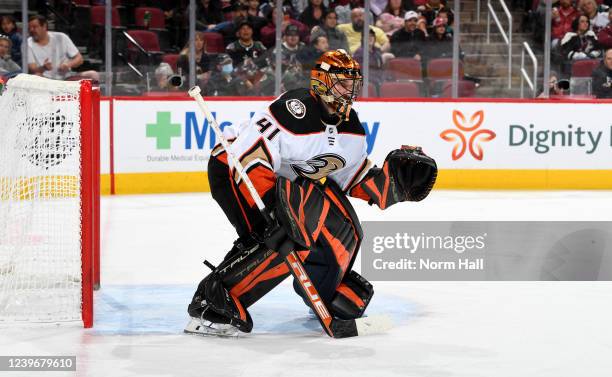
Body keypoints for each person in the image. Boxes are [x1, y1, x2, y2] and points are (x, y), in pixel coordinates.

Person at [185, 49, 437, 336]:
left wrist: (391, 185)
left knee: (344, 227)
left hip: (285, 187)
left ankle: (323, 288)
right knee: (280, 234)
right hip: (233, 170)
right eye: (343, 82)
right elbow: (250, 157)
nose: (351, 90)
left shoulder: (351, 128)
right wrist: (273, 209)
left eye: (353, 83)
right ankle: (212, 303)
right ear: (321, 82)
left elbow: (349, 177)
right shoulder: (294, 109)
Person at [27, 15, 99, 81]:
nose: (31, 30)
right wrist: (44, 68)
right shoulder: (28, 43)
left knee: (93, 75)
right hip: (45, 79)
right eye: (29, 28)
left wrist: (68, 64)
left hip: (66, 79)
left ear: (44, 26)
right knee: (36, 77)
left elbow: (79, 59)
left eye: (34, 27)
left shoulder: (61, 37)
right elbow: (33, 70)